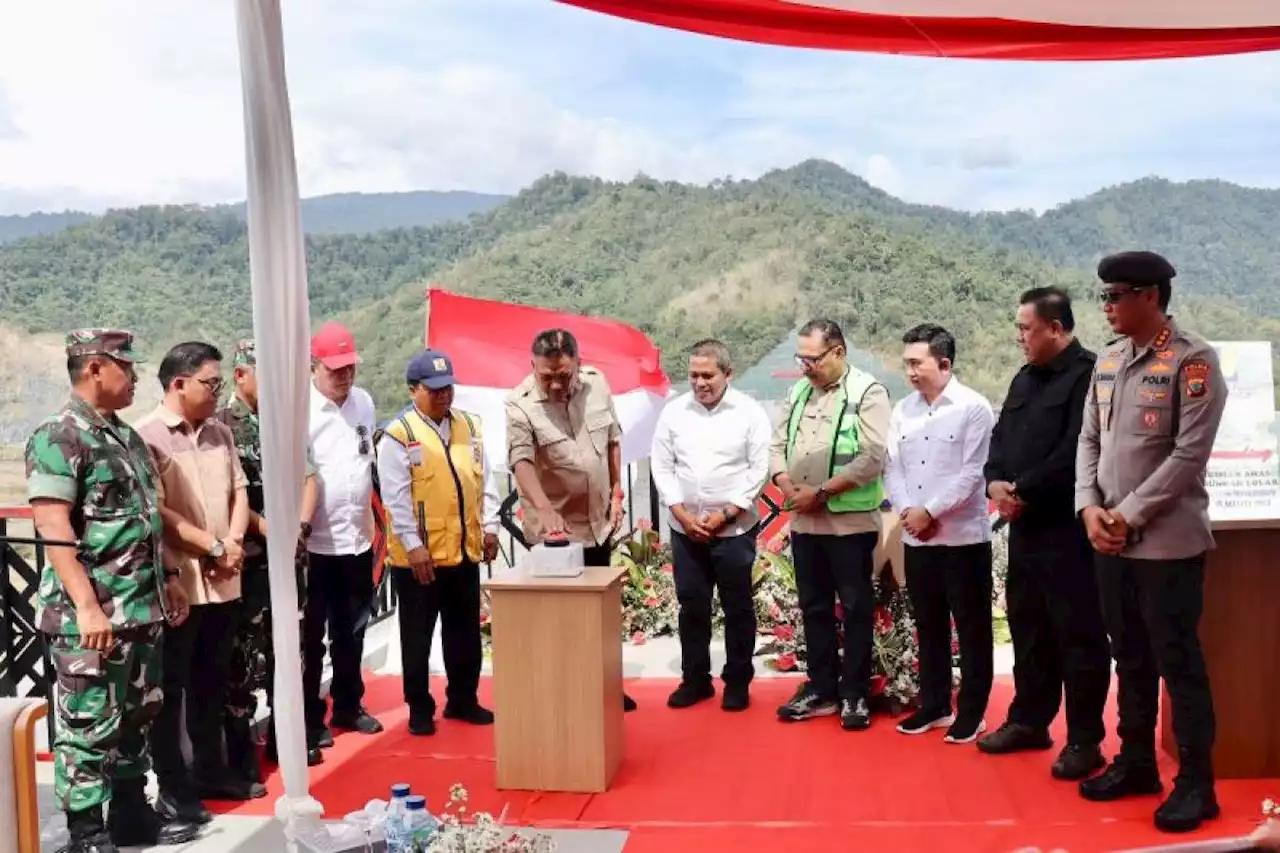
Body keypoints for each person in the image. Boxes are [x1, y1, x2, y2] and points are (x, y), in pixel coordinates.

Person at [26, 329, 200, 852]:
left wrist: (170, 579)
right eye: (126, 365)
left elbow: (146, 522)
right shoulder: (59, 437)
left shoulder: (126, 438)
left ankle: (129, 814)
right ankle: (87, 833)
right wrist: (86, 609)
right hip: (94, 617)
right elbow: (55, 532)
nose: (136, 376)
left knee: (136, 715)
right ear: (95, 368)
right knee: (86, 725)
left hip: (140, 609)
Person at [1075, 251, 1227, 833]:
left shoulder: (1193, 360)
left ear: (1150, 296)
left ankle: (1197, 784)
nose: (1107, 306)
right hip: (1110, 542)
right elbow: (1089, 439)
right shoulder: (1109, 361)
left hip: (1166, 545)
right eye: (1104, 297)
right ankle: (1136, 761)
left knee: (1177, 661)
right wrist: (1090, 509)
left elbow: (1189, 455)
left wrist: (1127, 515)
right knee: (1130, 657)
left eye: (1116, 296)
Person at [979, 288, 1112, 781]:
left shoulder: (1090, 375)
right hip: (1024, 528)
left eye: (1025, 329)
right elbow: (1001, 440)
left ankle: (1085, 740)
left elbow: (1079, 448)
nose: (1019, 338)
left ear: (1055, 328)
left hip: (1069, 530)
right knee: (1029, 629)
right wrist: (995, 482)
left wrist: (1023, 490)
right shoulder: (1022, 379)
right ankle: (1030, 720)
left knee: (1078, 635)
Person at [137, 341, 260, 816]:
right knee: (171, 688)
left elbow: (239, 493)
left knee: (213, 679)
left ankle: (212, 769)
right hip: (181, 584)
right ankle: (173, 783)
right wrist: (211, 547)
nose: (218, 391)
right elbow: (159, 513)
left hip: (225, 577)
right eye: (211, 383)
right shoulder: (147, 437)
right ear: (178, 383)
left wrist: (230, 542)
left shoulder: (220, 433)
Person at [505, 328, 636, 711]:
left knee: (601, 614)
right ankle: (563, 695)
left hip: (598, 523)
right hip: (556, 533)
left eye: (565, 374)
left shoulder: (597, 385)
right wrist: (545, 509)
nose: (557, 384)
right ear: (533, 367)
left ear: (579, 363)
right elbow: (521, 460)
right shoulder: (520, 403)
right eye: (548, 376)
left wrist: (617, 491)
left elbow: (613, 438)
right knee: (559, 619)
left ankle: (605, 689)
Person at [769, 319, 890, 730]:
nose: (804, 366)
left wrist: (820, 493)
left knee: (855, 609)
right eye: (799, 357)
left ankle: (854, 693)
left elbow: (872, 458)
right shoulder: (798, 391)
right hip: (805, 523)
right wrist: (787, 485)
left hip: (849, 523)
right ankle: (821, 687)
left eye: (812, 358)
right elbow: (776, 446)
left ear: (837, 353)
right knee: (814, 606)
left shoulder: (868, 392)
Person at [376, 348, 500, 735]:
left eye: (448, 388)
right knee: (417, 636)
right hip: (420, 558)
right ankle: (419, 707)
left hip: (463, 549)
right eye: (434, 390)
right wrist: (413, 546)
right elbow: (395, 498)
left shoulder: (469, 426)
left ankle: (463, 698)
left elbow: (486, 480)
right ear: (414, 391)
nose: (444, 396)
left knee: (464, 632)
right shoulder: (398, 436)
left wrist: (492, 525)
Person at [216, 339, 324, 772]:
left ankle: (286, 740)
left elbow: (310, 477)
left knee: (289, 652)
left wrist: (297, 527)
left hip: (289, 555)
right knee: (241, 659)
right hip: (251, 561)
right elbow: (226, 496)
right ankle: (241, 755)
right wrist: (272, 531)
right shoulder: (223, 425)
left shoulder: (284, 421)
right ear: (242, 374)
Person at [885, 323, 996, 745]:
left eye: (917, 363)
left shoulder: (973, 407)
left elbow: (973, 472)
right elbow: (892, 467)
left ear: (944, 363)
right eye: (907, 363)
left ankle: (972, 712)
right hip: (918, 538)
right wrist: (908, 513)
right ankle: (933, 704)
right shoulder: (903, 410)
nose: (910, 371)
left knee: (971, 628)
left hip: (963, 537)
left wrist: (930, 511)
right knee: (927, 624)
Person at [650, 339, 771, 712]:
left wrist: (726, 514)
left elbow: (758, 468)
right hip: (685, 529)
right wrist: (683, 514)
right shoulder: (674, 412)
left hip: (733, 530)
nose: (700, 382)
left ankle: (737, 682)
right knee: (692, 605)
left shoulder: (749, 412)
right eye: (694, 375)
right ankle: (695, 680)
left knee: (737, 607)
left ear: (727, 374)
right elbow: (662, 464)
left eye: (708, 375)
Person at [305, 321, 385, 748]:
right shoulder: (301, 410)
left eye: (350, 367)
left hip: (356, 540)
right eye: (336, 369)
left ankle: (349, 705)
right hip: (315, 545)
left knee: (351, 630)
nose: (345, 377)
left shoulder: (364, 404)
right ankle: (311, 717)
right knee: (311, 638)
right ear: (314, 366)